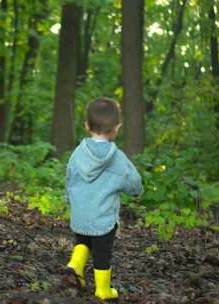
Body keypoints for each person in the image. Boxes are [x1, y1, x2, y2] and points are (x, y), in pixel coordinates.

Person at [65, 97, 143, 300]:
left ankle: (75, 264)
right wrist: (136, 191)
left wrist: (74, 202)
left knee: (83, 240)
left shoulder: (77, 154)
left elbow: (69, 180)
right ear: (116, 128)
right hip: (104, 219)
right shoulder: (117, 158)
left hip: (80, 214)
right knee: (102, 253)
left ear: (86, 125)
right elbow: (133, 183)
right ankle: (102, 290)